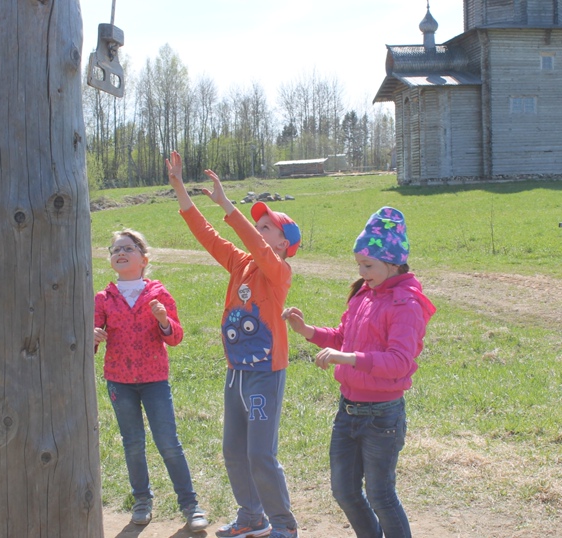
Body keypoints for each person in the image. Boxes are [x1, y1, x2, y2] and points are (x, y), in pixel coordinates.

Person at [165, 151, 300, 538]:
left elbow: (257, 248)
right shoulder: (241, 263)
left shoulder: (279, 271)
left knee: (260, 454)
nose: (260, 230)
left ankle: (284, 525)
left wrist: (227, 204)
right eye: (257, 224)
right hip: (236, 373)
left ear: (284, 243)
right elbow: (205, 235)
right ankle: (252, 517)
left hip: (264, 375)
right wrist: (178, 186)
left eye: (267, 226)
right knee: (233, 451)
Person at [282, 206, 436, 538]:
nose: (362, 272)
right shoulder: (365, 295)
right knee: (345, 491)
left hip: (382, 416)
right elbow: (342, 337)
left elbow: (399, 363)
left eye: (368, 265)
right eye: (359, 265)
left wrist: (349, 358)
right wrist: (307, 330)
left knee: (381, 495)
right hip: (348, 410)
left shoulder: (406, 305)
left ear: (393, 263)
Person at [93, 229, 208, 532]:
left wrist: (162, 320)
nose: (120, 253)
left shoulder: (158, 294)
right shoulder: (103, 299)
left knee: (168, 443)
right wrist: (92, 336)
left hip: (155, 380)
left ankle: (190, 505)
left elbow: (176, 337)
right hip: (119, 381)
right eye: (115, 249)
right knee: (133, 444)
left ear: (143, 259)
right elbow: (89, 340)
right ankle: (142, 501)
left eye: (128, 248)